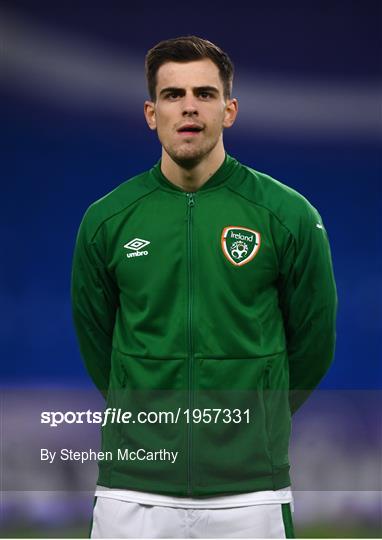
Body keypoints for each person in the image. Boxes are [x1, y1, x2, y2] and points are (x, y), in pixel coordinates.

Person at [71, 35, 337, 538]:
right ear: (151, 113)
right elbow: (98, 345)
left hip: (250, 494)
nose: (189, 107)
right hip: (134, 491)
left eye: (205, 94)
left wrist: (253, 416)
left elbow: (315, 344)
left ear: (229, 110)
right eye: (173, 95)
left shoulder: (288, 216)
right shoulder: (107, 220)